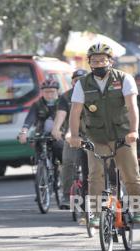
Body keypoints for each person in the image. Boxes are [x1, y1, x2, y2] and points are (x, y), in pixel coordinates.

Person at [68, 42, 140, 225]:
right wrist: (74, 136)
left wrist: (134, 131)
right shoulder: (82, 84)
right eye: (94, 61)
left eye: (102, 60)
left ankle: (138, 210)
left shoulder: (124, 79)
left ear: (110, 61)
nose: (99, 64)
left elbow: (132, 106)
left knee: (131, 174)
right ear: (89, 63)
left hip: (123, 135)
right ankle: (95, 214)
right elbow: (75, 111)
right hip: (96, 137)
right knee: (95, 176)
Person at [51, 69, 88, 210]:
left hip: (93, 136)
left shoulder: (94, 94)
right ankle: (67, 195)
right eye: (75, 80)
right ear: (72, 82)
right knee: (68, 162)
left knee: (95, 168)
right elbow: (61, 114)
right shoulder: (66, 96)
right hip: (72, 135)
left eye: (82, 79)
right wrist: (56, 129)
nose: (78, 82)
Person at [18, 78, 63, 164]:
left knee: (60, 148)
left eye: (52, 92)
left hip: (61, 133)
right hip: (42, 134)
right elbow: (29, 120)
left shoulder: (64, 102)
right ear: (42, 92)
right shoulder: (37, 104)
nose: (49, 95)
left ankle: (63, 169)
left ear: (58, 91)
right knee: (37, 149)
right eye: (46, 92)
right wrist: (23, 132)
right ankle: (41, 169)